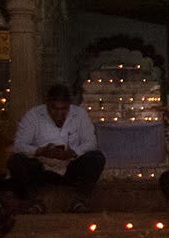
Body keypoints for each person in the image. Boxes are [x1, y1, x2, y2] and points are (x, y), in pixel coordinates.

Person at [9, 83, 107, 211]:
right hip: (42, 168)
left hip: (71, 167)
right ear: (47, 105)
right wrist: (40, 151)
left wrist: (72, 153)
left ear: (69, 107)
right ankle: (33, 201)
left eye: (63, 109)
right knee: (16, 161)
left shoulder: (80, 115)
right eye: (54, 109)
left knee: (96, 157)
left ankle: (80, 200)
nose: (59, 113)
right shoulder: (33, 116)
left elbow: (90, 142)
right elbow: (19, 145)